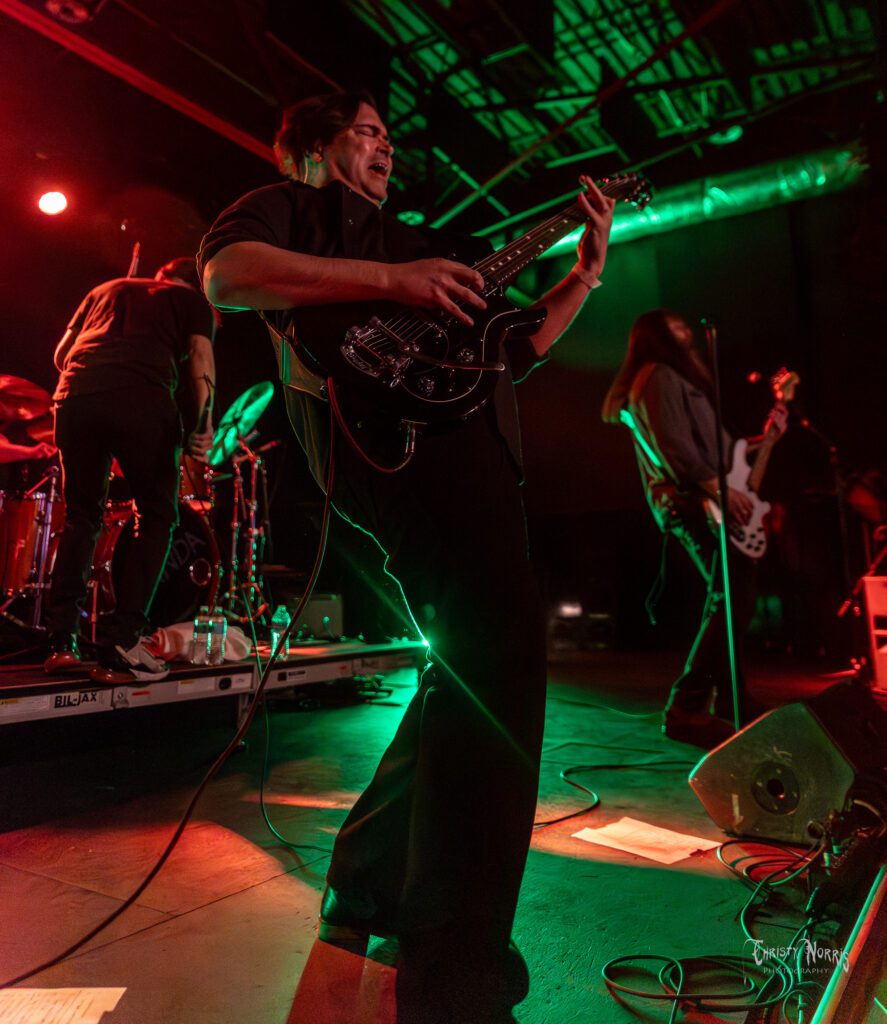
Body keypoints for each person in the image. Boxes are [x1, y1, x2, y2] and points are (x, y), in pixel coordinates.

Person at [198, 91, 614, 1024]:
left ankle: (368, 882)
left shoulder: (428, 244)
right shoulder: (292, 208)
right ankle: (453, 969)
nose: (385, 146)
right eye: (366, 132)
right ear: (311, 148)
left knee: (465, 671)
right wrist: (394, 281)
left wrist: (583, 276)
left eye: (389, 135)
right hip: (394, 448)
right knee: (499, 653)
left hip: (471, 455)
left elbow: (518, 345)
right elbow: (227, 278)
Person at [602, 309, 784, 748]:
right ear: (656, 336)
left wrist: (766, 438)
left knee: (730, 597)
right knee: (731, 595)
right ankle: (686, 706)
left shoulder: (674, 379)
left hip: (703, 496)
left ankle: (729, 701)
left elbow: (724, 451)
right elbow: (675, 447)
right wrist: (715, 487)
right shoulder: (659, 375)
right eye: (675, 325)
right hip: (691, 501)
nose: (686, 330)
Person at [43, 258, 216, 682]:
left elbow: (62, 355)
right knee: (156, 515)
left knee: (82, 516)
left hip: (74, 397)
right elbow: (200, 356)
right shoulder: (192, 300)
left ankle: (61, 642)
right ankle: (122, 640)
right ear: (197, 285)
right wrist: (203, 423)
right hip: (142, 397)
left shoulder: (106, 289)